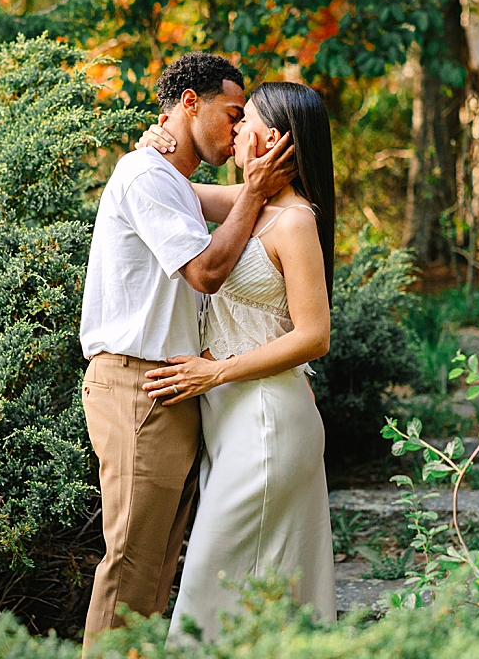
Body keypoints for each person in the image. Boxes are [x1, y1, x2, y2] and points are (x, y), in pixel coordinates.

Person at [78, 53, 296, 652]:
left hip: (173, 389)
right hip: (136, 385)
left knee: (155, 572)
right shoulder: (145, 175)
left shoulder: (170, 180)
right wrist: (249, 190)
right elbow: (205, 271)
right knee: (129, 567)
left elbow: (268, 208)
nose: (238, 129)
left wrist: (256, 183)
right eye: (233, 114)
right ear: (190, 103)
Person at [137, 81, 337, 643]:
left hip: (266, 418)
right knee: (256, 586)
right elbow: (173, 187)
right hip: (228, 420)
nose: (233, 132)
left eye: (243, 121)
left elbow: (314, 335)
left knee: (210, 582)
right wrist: (160, 139)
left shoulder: (294, 221)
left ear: (272, 140)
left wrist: (215, 371)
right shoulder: (250, 204)